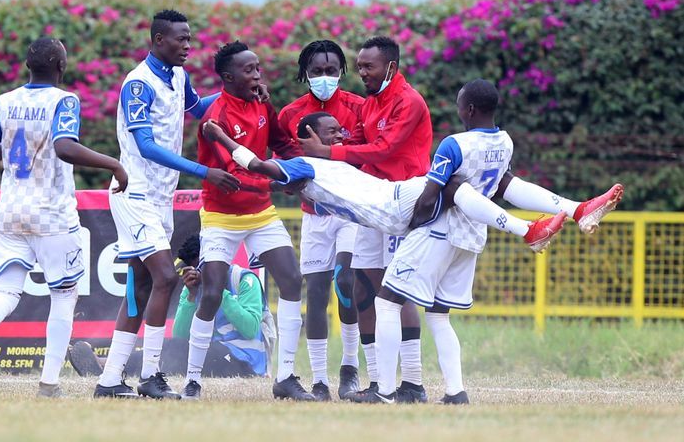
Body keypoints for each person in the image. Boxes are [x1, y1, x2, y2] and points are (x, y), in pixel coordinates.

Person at [368, 79, 624, 404]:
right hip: (472, 238)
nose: (458, 110)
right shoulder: (505, 142)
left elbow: (431, 194)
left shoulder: (453, 144)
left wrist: (409, 224)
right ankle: (455, 392)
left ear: (469, 109)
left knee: (387, 302)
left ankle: (386, 393)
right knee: (438, 315)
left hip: (437, 233)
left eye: (460, 105)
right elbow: (504, 187)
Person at [0, 37, 128, 398]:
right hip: (52, 214)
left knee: (6, 292)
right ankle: (48, 384)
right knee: (64, 294)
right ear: (61, 66)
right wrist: (114, 164)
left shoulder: (6, 101)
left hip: (11, 210)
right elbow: (64, 146)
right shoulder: (64, 100)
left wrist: (12, 146)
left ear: (29, 66)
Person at [94, 10, 242, 400]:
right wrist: (204, 172)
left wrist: (236, 89)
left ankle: (109, 380)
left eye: (190, 38)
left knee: (141, 286)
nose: (188, 46)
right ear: (159, 40)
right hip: (133, 192)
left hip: (159, 198)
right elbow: (145, 146)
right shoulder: (138, 85)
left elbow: (196, 110)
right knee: (165, 277)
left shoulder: (178, 76)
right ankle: (150, 375)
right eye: (181, 39)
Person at [201, 114, 565, 252]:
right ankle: (527, 230)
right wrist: (220, 136)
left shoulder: (329, 161)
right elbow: (261, 165)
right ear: (310, 135)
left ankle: (573, 210)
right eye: (332, 132)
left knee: (490, 181)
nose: (341, 134)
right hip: (393, 204)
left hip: (394, 209)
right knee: (454, 183)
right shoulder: (304, 164)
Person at [298, 36, 434, 402]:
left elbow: (385, 148)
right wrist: (312, 164)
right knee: (362, 289)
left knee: (396, 293)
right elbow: (356, 146)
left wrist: (328, 150)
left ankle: (414, 384)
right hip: (373, 204)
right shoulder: (370, 104)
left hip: (403, 203)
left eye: (367, 67)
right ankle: (376, 381)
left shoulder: (409, 102)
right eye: (359, 67)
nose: (361, 73)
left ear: (390, 66)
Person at [183, 41, 311, 401]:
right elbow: (235, 171)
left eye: (258, 67)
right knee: (211, 293)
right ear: (228, 76)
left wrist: (304, 166)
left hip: (260, 212)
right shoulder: (215, 118)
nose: (257, 74)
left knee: (292, 280)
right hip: (221, 215)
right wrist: (277, 182)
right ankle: (192, 380)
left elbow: (282, 144)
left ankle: (284, 376)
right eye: (249, 69)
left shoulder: (260, 103)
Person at [277, 40, 364, 400]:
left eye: (331, 71)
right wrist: (288, 183)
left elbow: (368, 153)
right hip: (314, 215)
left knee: (346, 281)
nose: (325, 77)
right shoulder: (290, 114)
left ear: (341, 72)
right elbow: (282, 159)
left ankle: (349, 369)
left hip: (352, 212)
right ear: (305, 73)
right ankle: (319, 380)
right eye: (317, 71)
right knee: (314, 292)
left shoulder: (359, 108)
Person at [67, 235, 271, 382]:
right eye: (194, 268)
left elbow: (250, 328)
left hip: (245, 362)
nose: (198, 273)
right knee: (175, 349)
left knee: (179, 351)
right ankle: (108, 365)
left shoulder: (244, 280)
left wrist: (218, 292)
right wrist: (191, 296)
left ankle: (107, 365)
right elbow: (180, 334)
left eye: (202, 266)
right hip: (212, 353)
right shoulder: (194, 285)